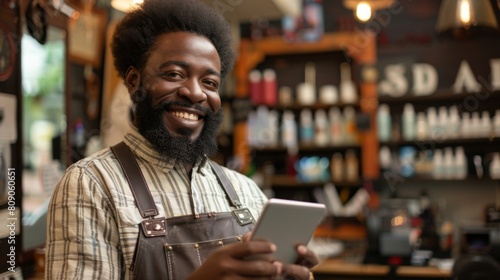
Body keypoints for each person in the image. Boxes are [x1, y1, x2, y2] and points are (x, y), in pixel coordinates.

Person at [45, 0, 319, 279]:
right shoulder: (91, 185)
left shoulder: (246, 191)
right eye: (175, 74)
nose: (195, 93)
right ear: (133, 81)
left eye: (210, 82)